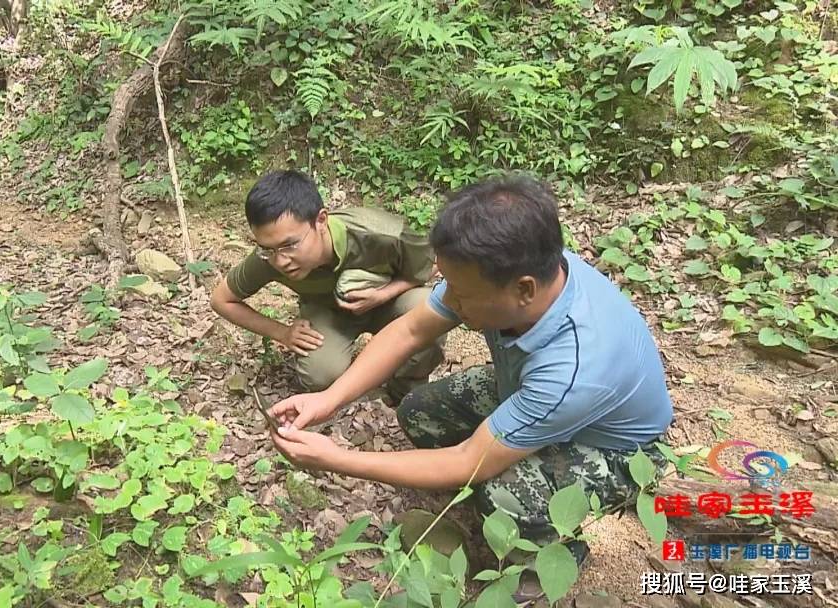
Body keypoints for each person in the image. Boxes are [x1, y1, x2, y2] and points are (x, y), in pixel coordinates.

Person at [267, 174, 674, 600]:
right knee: (419, 412)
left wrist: (338, 459)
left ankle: (547, 558)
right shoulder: (515, 266)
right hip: (529, 392)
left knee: (503, 494)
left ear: (523, 291)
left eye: (461, 294)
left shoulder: (573, 367)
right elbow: (409, 330)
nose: (450, 300)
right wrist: (327, 400)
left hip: (618, 447)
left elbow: (466, 462)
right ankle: (507, 450)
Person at [210, 169, 445, 406]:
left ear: (321, 220)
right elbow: (222, 300)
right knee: (320, 373)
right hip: (329, 312)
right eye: (267, 248)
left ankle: (404, 390)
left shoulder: (381, 233)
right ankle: (359, 388)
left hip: (388, 303)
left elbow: (434, 263)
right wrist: (282, 332)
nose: (280, 260)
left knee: (430, 308)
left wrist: (381, 295)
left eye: (290, 245)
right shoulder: (269, 257)